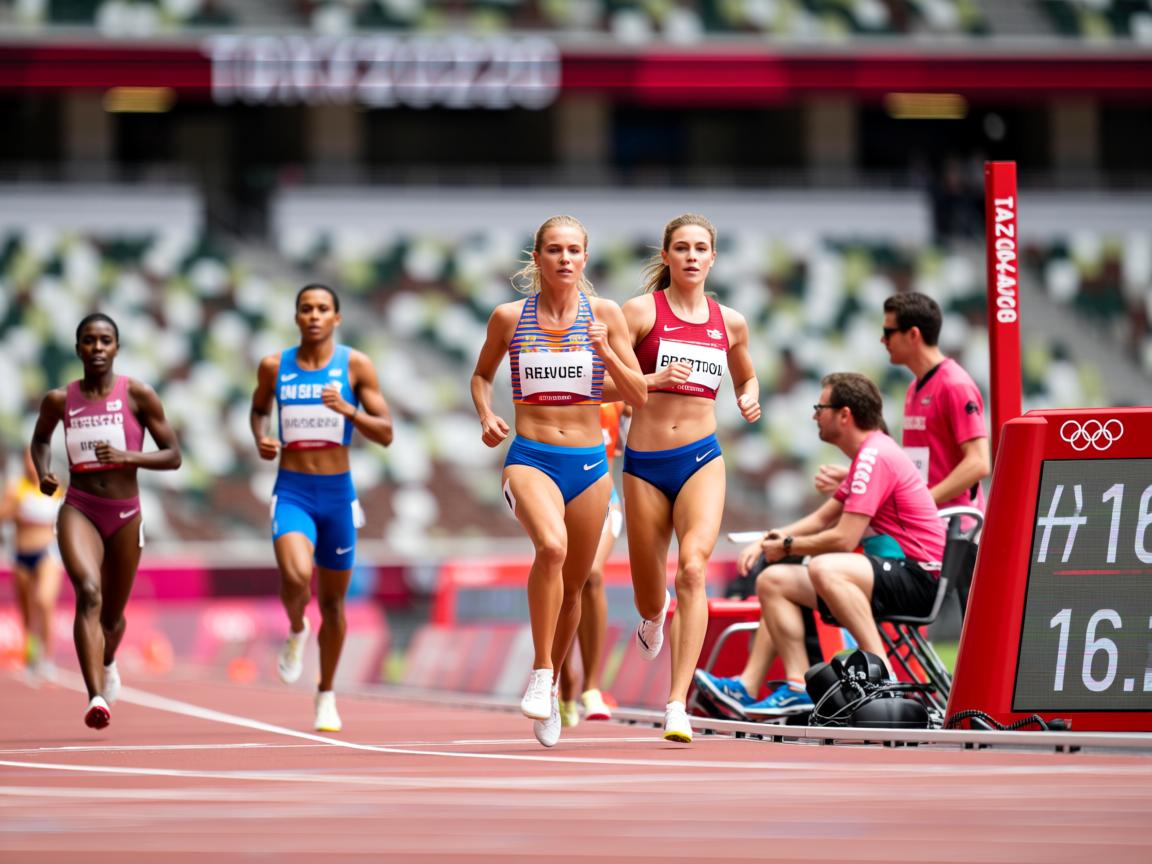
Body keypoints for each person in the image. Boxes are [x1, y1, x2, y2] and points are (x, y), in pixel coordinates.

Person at [471, 215, 647, 748]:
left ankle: (552, 694)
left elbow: (637, 394)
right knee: (551, 547)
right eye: (554, 250)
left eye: (574, 250)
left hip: (591, 463)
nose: (565, 259)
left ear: (585, 259)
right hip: (531, 457)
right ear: (538, 258)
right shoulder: (509, 317)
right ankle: (543, 671)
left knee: (574, 585)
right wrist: (486, 415)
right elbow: (481, 375)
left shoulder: (606, 315)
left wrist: (608, 349)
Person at [694, 372, 946, 718]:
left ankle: (881, 674)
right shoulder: (867, 457)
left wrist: (786, 544)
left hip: (919, 576)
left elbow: (844, 539)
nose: (814, 415)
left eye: (820, 407)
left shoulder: (875, 456)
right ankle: (796, 687)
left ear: (844, 415)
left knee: (825, 565)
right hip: (896, 573)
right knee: (774, 581)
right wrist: (770, 540)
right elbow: (819, 520)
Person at [621, 213, 761, 743]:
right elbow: (602, 383)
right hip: (644, 465)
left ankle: (677, 703)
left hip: (702, 458)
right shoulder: (639, 314)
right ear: (666, 256)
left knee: (694, 571)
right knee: (651, 592)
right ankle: (652, 619)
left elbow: (746, 373)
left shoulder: (731, 322)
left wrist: (749, 395)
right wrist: (649, 379)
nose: (692, 256)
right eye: (682, 248)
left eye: (701, 248)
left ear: (713, 258)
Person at [250, 284, 393, 733]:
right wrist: (262, 437)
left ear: (337, 318)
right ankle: (296, 628)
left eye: (323, 309)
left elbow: (386, 432)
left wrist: (348, 411)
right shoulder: (275, 366)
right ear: (296, 317)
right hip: (293, 491)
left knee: (333, 605)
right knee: (294, 575)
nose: (314, 316)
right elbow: (257, 411)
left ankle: (326, 693)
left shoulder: (355, 365)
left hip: (337, 496)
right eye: (306, 309)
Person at [29, 313, 182, 729]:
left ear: (116, 348)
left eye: (105, 341)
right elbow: (41, 439)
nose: (97, 348)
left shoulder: (138, 395)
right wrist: (43, 473)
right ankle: (96, 696)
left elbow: (173, 455)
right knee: (88, 593)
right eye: (89, 341)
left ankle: (108, 659)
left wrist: (128, 457)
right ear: (77, 348)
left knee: (112, 618)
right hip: (79, 507)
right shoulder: (60, 400)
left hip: (126, 515)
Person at [814, 292, 989, 516]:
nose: (882, 340)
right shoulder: (914, 388)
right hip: (926, 522)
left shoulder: (954, 385)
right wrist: (855, 477)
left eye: (888, 332)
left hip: (952, 525)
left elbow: (979, 462)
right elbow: (916, 468)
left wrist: (922, 502)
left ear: (913, 334)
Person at [556, 400, 629, 727]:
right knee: (566, 583)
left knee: (593, 575)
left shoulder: (620, 395)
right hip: (561, 498)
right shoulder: (563, 385)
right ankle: (563, 675)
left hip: (605, 498)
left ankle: (592, 687)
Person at [0, 448, 64, 681]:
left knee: (44, 601)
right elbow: (2, 516)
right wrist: (12, 508)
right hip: (21, 556)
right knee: (27, 611)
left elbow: (64, 521)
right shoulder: (15, 488)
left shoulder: (55, 489)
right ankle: (32, 657)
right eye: (28, 459)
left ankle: (48, 659)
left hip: (47, 553)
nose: (32, 464)